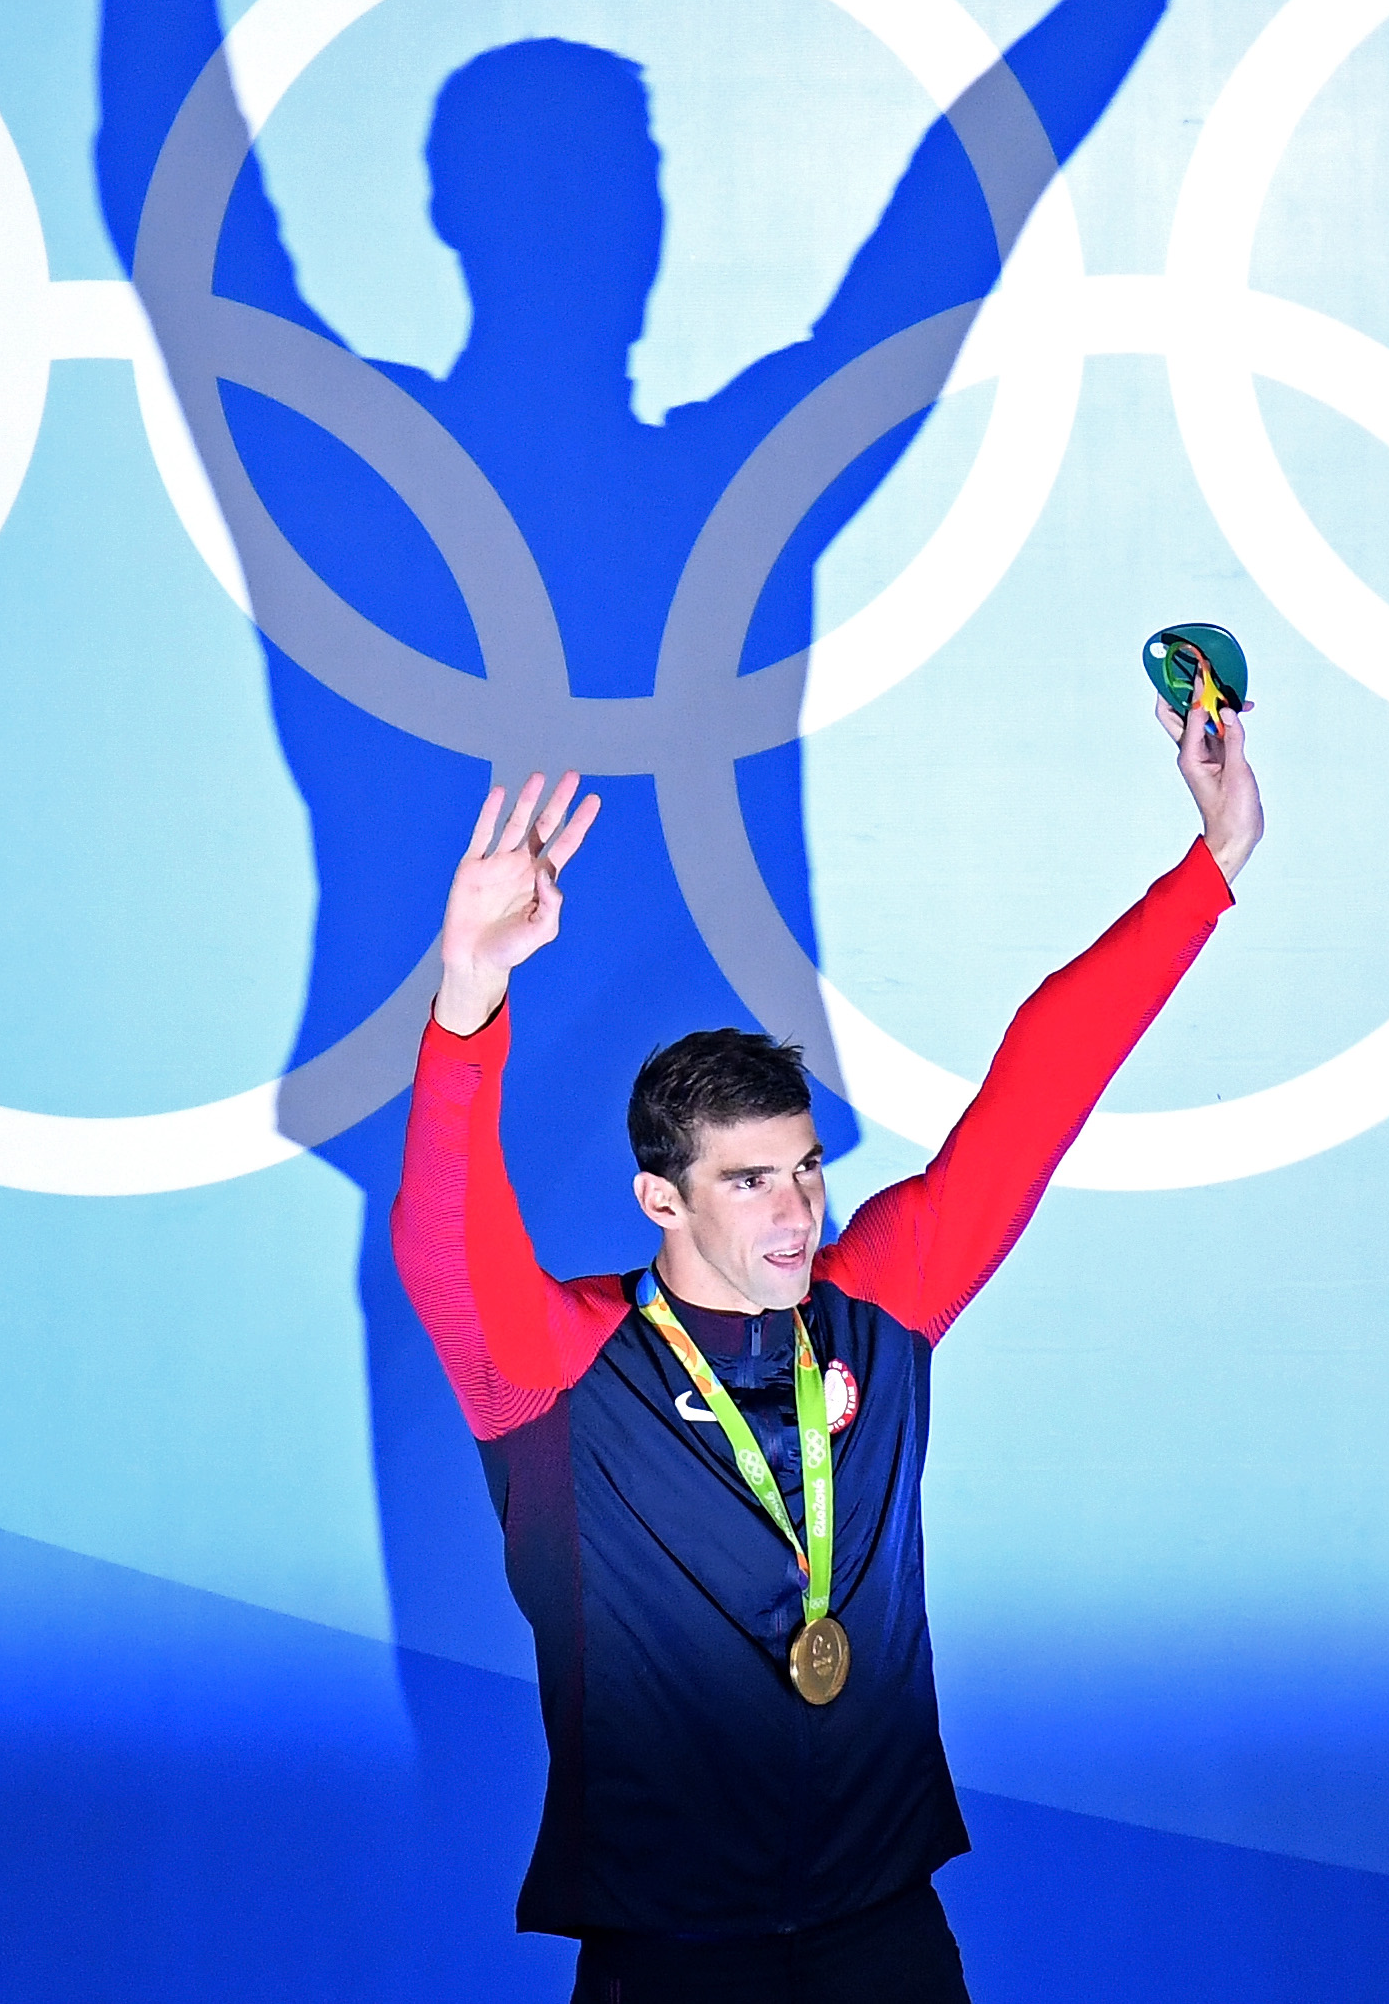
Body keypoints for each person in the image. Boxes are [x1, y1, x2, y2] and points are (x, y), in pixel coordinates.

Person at [92, 0, 1237, 1689]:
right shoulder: (366, 476)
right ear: (477, 216)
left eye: (628, 168)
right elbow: (161, 146)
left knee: (764, 1768)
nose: (613, 208)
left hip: (734, 1247)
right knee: (519, 1784)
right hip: (474, 1219)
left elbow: (960, 201)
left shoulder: (728, 477)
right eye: (579, 169)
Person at [398, 691, 1263, 2000]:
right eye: (749, 1180)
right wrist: (469, 994)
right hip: (673, 1960)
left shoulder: (880, 1304)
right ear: (661, 1198)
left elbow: (1042, 1083)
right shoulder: (562, 1372)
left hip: (883, 1938)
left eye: (805, 1168)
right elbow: (439, 1232)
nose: (799, 1206)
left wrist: (1211, 868)